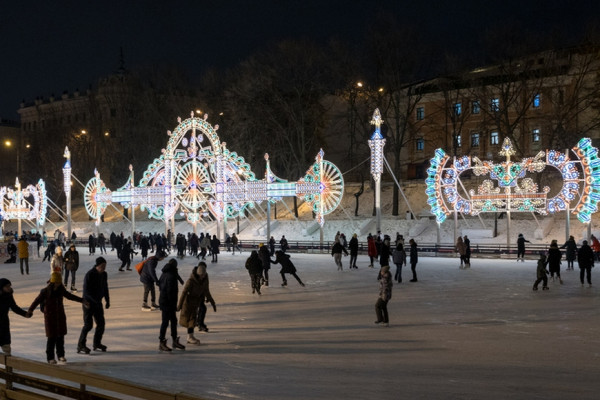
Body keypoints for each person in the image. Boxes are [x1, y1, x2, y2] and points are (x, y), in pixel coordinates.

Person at [27, 272, 87, 364]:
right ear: (52, 282)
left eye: (59, 283)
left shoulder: (61, 290)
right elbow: (36, 301)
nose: (58, 284)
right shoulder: (45, 291)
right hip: (50, 317)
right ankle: (50, 357)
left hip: (60, 316)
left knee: (60, 337)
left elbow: (70, 296)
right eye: (56, 282)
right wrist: (30, 310)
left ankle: (61, 355)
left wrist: (82, 300)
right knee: (51, 338)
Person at [177, 262, 216, 344]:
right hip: (188, 302)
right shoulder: (191, 281)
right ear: (198, 274)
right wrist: (179, 305)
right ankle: (190, 337)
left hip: (196, 301)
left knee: (193, 319)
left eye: (204, 275)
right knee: (189, 319)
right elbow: (184, 293)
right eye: (201, 275)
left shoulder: (204, 279)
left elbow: (206, 291)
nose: (203, 276)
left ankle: (190, 336)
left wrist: (212, 302)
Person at [77, 257, 110, 354]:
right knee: (88, 325)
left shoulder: (104, 274)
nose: (104, 268)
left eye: (105, 266)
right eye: (102, 266)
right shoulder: (90, 274)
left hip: (98, 303)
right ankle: (81, 345)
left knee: (101, 324)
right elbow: (86, 291)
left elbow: (105, 288)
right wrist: (94, 301)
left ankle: (97, 343)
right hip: (88, 303)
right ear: (97, 266)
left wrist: (107, 300)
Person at [158, 259, 185, 352]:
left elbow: (160, 285)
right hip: (168, 303)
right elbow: (170, 291)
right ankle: (162, 342)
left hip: (164, 301)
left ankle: (174, 340)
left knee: (173, 321)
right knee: (166, 322)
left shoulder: (165, 273)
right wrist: (172, 304)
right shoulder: (171, 275)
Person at [0, 278, 32, 355]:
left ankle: (8, 365)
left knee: (6, 344)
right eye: (7, 286)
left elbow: (14, 307)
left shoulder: (8, 295)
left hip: (4, 323)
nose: (9, 288)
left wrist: (25, 314)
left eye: (9, 286)